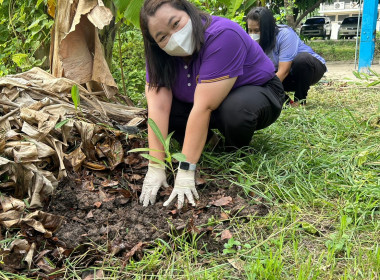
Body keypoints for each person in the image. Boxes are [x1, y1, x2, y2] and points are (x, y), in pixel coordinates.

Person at [138, 0, 285, 209]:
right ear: (155, 44)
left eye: (175, 23)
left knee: (235, 110)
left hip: (258, 93)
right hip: (207, 102)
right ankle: (211, 142)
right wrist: (155, 165)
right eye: (162, 37)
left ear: (188, 11)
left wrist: (186, 170)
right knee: (168, 111)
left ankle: (235, 151)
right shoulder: (159, 56)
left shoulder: (223, 34)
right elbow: (158, 109)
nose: (174, 37)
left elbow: (204, 106)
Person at [246, 7, 327, 106]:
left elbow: (283, 71)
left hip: (309, 69)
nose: (253, 35)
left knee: (302, 60)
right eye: (250, 30)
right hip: (285, 76)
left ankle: (300, 101)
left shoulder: (285, 34)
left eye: (257, 30)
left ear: (267, 29)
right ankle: (288, 103)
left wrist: (265, 90)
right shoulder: (251, 43)